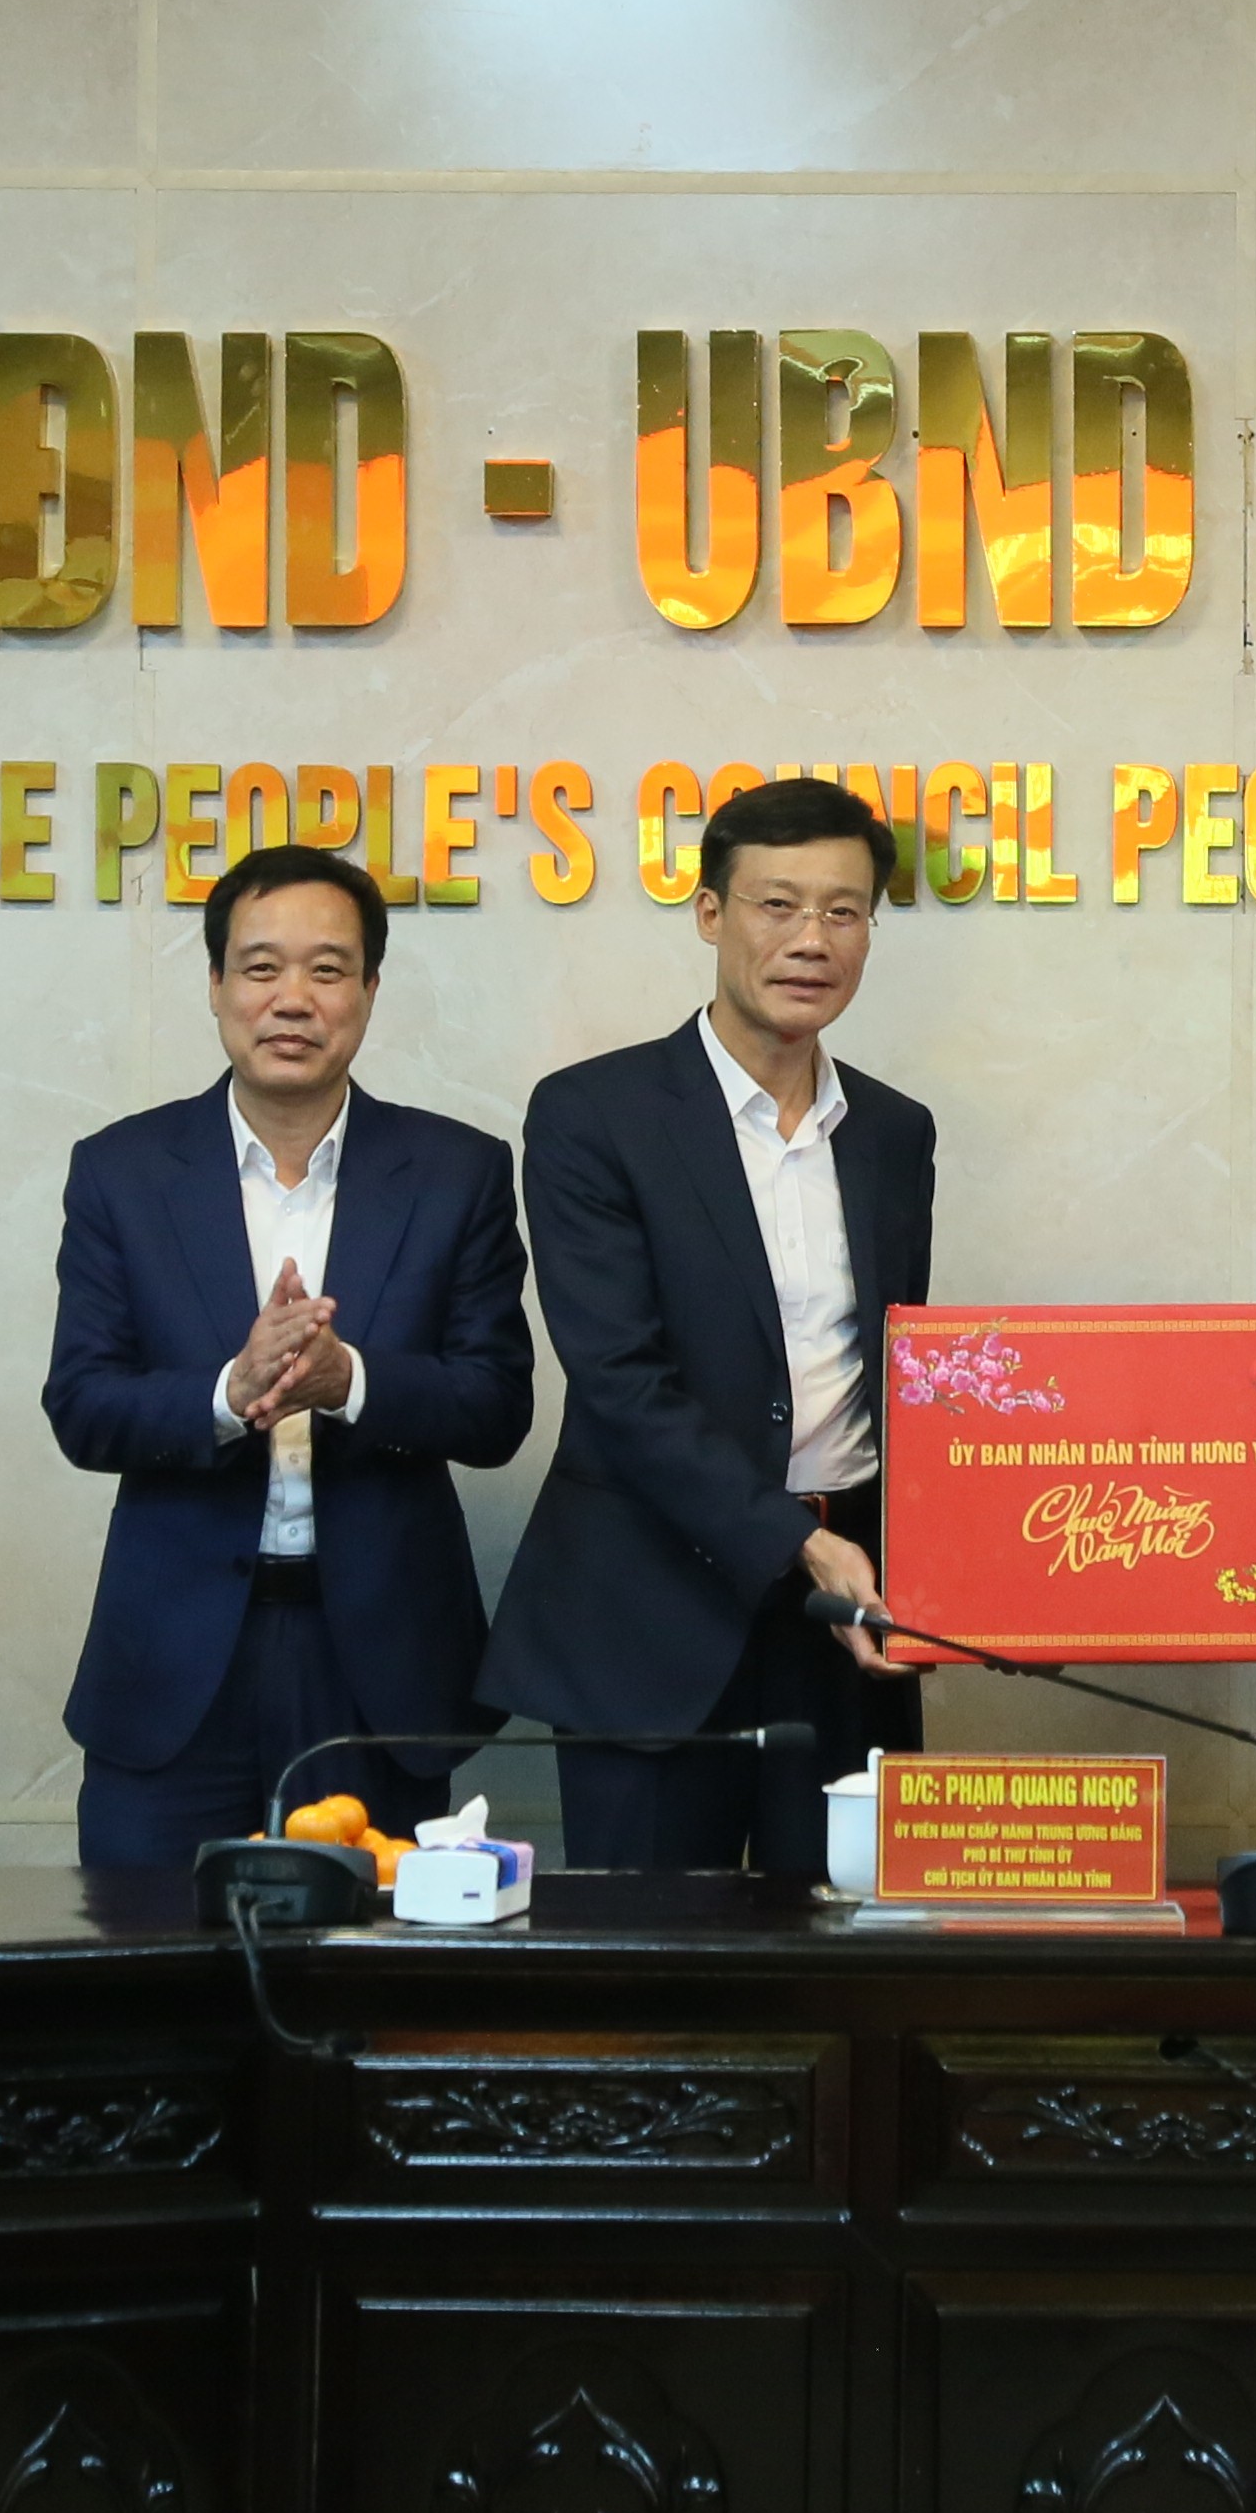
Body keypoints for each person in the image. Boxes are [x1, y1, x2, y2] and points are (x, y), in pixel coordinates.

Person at [44, 841, 537, 1868]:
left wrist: (349, 1380)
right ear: (216, 985)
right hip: (174, 1656)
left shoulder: (456, 1171)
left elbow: (497, 1405)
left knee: (369, 1952)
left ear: (369, 991)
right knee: (148, 1946)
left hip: (379, 1661)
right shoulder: (123, 1172)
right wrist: (230, 1391)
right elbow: (83, 1406)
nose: (293, 999)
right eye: (261, 968)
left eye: (327, 970)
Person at [481, 776, 933, 1872]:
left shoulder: (893, 1132)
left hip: (845, 1614)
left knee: (843, 1939)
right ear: (710, 914)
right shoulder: (595, 1115)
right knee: (650, 1953)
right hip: (651, 1606)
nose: (812, 939)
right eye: (779, 905)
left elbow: (901, 1371)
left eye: (844, 911)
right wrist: (796, 1542)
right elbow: (620, 1379)